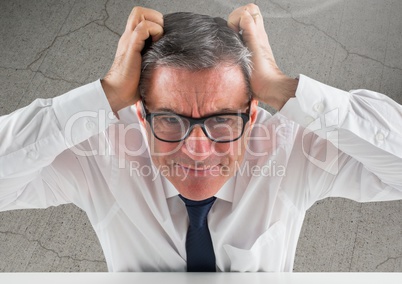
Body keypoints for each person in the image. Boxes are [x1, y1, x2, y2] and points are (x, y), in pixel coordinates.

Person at [0, 4, 401, 272]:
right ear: (140, 112)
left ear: (254, 112)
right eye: (171, 120)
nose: (197, 149)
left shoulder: (291, 146)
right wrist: (102, 96)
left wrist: (285, 88)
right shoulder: (101, 152)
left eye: (223, 119)